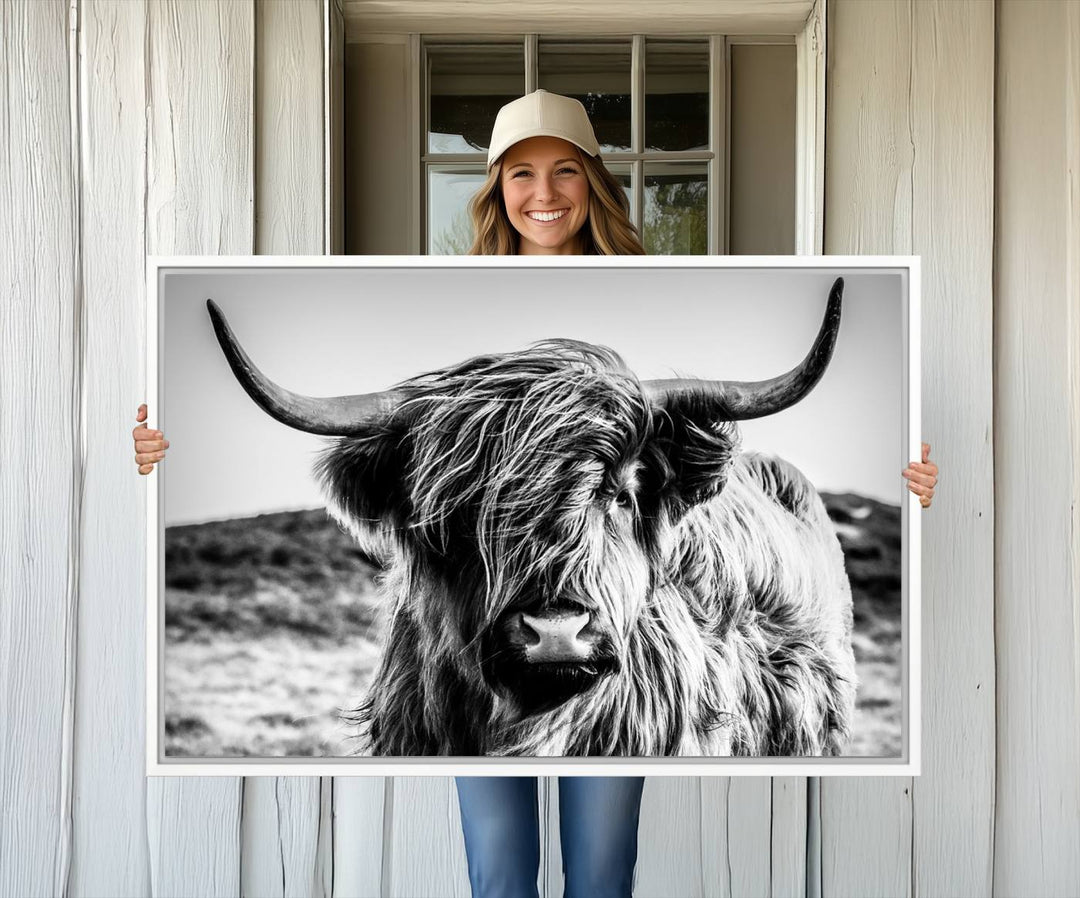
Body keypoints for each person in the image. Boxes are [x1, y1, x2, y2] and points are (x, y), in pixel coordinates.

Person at [131, 89, 939, 898]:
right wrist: (151, 454)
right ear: (494, 189)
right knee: (498, 874)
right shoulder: (441, 285)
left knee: (598, 873)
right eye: (521, 174)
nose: (544, 194)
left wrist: (918, 477)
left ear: (595, 182)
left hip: (625, 670)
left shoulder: (658, 277)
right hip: (469, 662)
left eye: (564, 173)